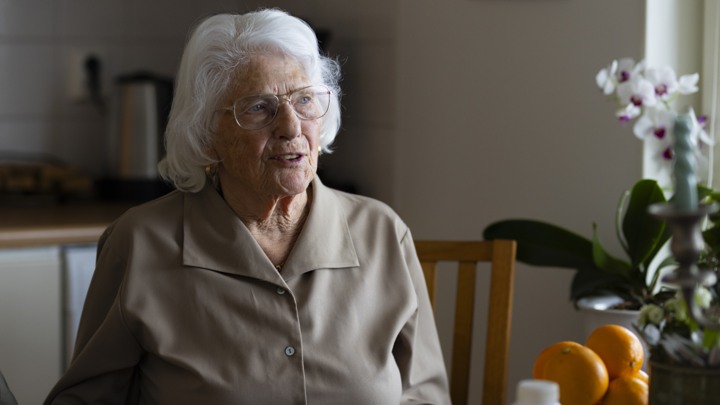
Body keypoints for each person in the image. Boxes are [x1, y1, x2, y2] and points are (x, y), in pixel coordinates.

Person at [45, 8, 449, 404]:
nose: (291, 126)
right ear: (206, 133)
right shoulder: (141, 244)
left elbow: (425, 394)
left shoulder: (382, 232)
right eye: (259, 107)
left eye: (304, 100)